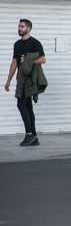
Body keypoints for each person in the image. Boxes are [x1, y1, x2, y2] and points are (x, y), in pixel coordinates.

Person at [4, 19, 47, 147]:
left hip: (31, 79)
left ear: (28, 28)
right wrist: (8, 80)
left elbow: (43, 59)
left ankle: (29, 134)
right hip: (21, 78)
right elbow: (15, 62)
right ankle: (34, 136)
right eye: (19, 26)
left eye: (22, 26)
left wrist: (28, 60)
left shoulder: (35, 43)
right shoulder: (17, 44)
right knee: (27, 106)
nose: (19, 28)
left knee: (21, 104)